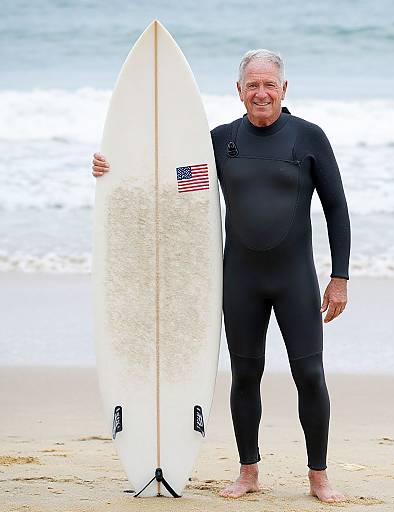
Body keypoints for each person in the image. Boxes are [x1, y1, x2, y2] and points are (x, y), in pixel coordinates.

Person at [92, 49, 350, 504]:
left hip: (294, 278)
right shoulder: (219, 140)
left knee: (309, 374)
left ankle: (318, 477)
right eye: (253, 85)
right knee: (244, 375)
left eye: (270, 84)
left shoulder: (309, 138)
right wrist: (111, 168)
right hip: (240, 280)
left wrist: (340, 276)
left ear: (284, 89)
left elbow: (336, 208)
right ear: (239, 91)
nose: (262, 93)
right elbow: (174, 182)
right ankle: (248, 471)